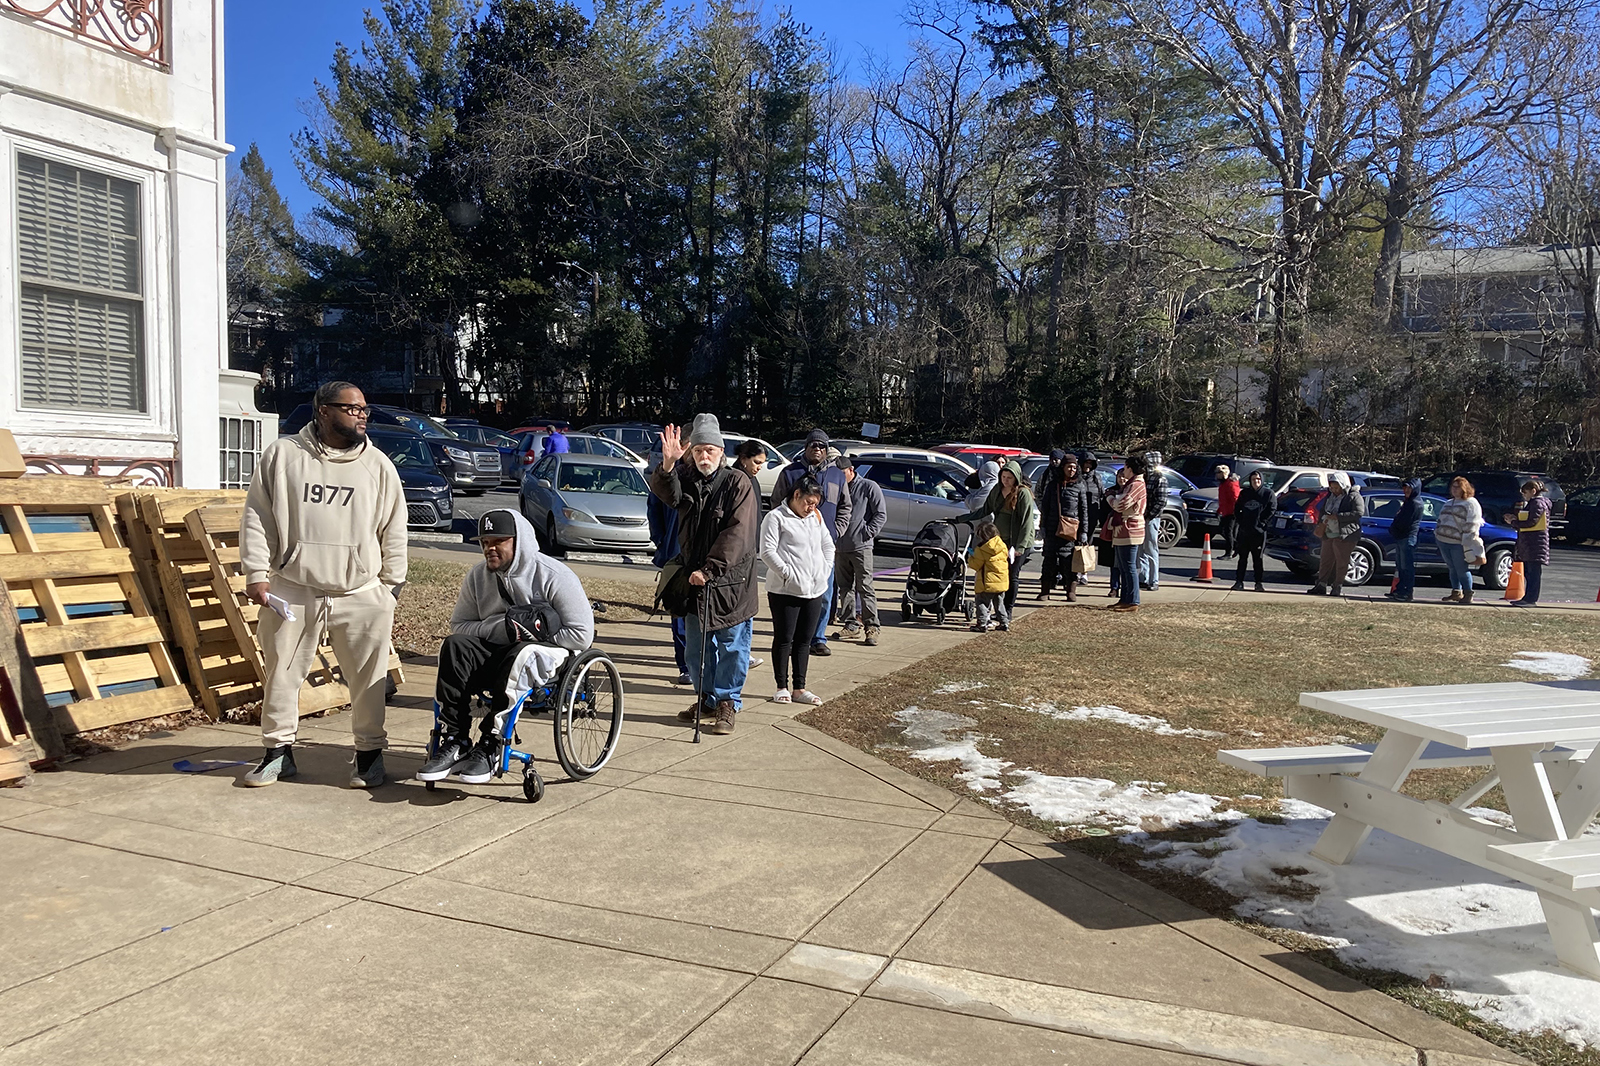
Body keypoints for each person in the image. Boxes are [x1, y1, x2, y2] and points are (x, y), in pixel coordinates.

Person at [239, 381, 408, 788]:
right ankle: (277, 753)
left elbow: (394, 529)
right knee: (281, 674)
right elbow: (257, 517)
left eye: (365, 409)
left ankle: (368, 755)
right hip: (294, 588)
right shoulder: (283, 456)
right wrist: (257, 574)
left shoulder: (379, 465)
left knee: (368, 679)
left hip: (360, 591)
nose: (362, 415)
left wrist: (390, 587)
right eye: (352, 409)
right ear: (323, 411)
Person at [419, 510, 595, 782]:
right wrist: (500, 629)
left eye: (498, 541)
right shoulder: (478, 576)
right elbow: (460, 625)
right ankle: (454, 739)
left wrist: (529, 635)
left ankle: (492, 742)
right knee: (454, 646)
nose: (489, 548)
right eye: (484, 542)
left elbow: (581, 634)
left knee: (522, 652)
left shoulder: (554, 575)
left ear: (519, 541)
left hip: (545, 654)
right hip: (497, 648)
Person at [652, 414, 760, 735]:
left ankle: (728, 704)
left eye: (710, 450)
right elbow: (667, 495)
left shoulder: (737, 482)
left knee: (731, 647)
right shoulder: (687, 478)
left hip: (730, 584)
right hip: (695, 582)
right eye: (698, 451)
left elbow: (738, 535)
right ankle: (708, 699)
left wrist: (709, 569)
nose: (703, 457)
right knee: (696, 649)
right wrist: (668, 466)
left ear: (721, 451)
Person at [771, 430, 851, 658]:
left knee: (823, 593)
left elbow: (845, 507)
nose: (817, 449)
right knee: (795, 592)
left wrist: (836, 531)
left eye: (822, 446)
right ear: (805, 448)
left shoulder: (837, 475)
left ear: (827, 451)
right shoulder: (790, 473)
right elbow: (777, 503)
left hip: (824, 545)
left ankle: (818, 638)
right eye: (813, 445)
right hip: (794, 545)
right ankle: (796, 638)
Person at [759, 476, 835, 704]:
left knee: (804, 639)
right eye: (808, 502)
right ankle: (781, 685)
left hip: (814, 588)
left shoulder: (815, 518)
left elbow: (828, 545)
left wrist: (825, 568)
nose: (811, 508)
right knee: (785, 638)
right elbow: (767, 551)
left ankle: (799, 688)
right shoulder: (776, 518)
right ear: (796, 495)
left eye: (815, 504)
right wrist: (787, 573)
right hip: (785, 591)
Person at [955, 460, 1038, 622]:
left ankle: (1008, 610)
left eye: (1009, 478)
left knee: (1012, 575)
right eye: (1003, 477)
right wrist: (960, 519)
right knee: (998, 574)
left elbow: (1027, 523)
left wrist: (1019, 546)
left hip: (1019, 542)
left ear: (1016, 478)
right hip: (1000, 541)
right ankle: (999, 611)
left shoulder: (1023, 494)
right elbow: (984, 511)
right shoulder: (997, 490)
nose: (1006, 481)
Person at [833, 456, 886, 645]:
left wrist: (867, 533)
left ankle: (872, 626)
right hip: (840, 547)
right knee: (844, 588)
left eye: (842, 474)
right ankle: (851, 624)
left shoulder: (868, 486)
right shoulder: (835, 488)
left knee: (865, 587)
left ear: (851, 470)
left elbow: (880, 514)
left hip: (861, 546)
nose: (839, 478)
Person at [646, 482, 690, 685]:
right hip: (676, 557)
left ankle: (704, 664)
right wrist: (662, 542)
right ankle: (685, 667)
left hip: (707, 559)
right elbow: (654, 510)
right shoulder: (671, 477)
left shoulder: (717, 477)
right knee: (679, 614)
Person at [1306, 472, 1363, 597]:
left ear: (1343, 485)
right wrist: (1322, 520)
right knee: (1325, 560)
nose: (1334, 490)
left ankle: (1337, 586)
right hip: (1329, 532)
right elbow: (1322, 510)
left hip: (1345, 534)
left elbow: (1358, 513)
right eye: (1332, 487)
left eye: (1336, 487)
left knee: (1341, 562)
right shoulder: (1329, 496)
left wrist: (1337, 517)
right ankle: (1320, 585)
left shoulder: (1353, 496)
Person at [1105, 455, 1147, 612]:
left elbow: (1120, 505)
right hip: (1123, 529)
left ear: (1130, 468)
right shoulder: (1132, 484)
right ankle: (1125, 599)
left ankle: (1133, 600)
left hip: (1130, 529)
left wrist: (1109, 497)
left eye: (1125, 467)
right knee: (1122, 566)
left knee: (1129, 566)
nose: (1123, 471)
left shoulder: (1136, 484)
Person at [1435, 476, 1483, 604]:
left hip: (1459, 543)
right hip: (1443, 540)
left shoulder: (1471, 503)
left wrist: (1467, 540)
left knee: (1461, 568)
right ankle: (1456, 592)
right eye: (1453, 487)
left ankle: (1468, 593)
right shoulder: (1448, 503)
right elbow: (1440, 520)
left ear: (1465, 488)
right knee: (1452, 568)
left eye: (1458, 487)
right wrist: (1437, 533)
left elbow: (1473, 522)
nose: (1455, 490)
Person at [1050, 453, 1091, 602]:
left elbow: (1083, 510)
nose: (1072, 470)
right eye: (1069, 467)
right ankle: (1045, 590)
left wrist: (1084, 531)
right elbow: (1046, 507)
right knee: (1049, 561)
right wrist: (1043, 526)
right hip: (1052, 528)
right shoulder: (1053, 484)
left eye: (1074, 467)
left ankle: (1071, 591)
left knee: (1069, 562)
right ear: (1063, 467)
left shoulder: (1080, 485)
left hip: (1071, 530)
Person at [1504, 479, 1550, 607]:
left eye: (1525, 493)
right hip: (1533, 541)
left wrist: (1513, 522)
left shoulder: (1537, 503)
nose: (1524, 495)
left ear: (1533, 491)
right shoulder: (1538, 503)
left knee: (1533, 572)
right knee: (1530, 572)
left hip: (1534, 542)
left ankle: (1531, 599)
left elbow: (1532, 522)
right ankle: (1528, 597)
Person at [1230, 469, 1275, 592]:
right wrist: (1241, 521)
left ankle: (1258, 583)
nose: (1256, 482)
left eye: (1258, 479)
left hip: (1259, 533)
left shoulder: (1268, 494)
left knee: (1257, 559)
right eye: (1254, 479)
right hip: (1244, 532)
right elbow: (1237, 508)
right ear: (1250, 481)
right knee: (1242, 558)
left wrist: (1262, 523)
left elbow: (1272, 509)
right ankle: (1239, 582)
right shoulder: (1245, 493)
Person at [967, 519, 1010, 631]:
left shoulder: (982, 550)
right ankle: (1004, 622)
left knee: (982, 602)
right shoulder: (1002, 546)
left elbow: (976, 565)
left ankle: (982, 623)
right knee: (999, 604)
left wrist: (971, 556)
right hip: (1001, 582)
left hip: (987, 582)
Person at [1384, 478, 1423, 603]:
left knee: (1407, 567)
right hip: (1401, 537)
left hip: (1408, 537)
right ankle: (1399, 590)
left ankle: (1407, 592)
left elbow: (1405, 522)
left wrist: (1395, 529)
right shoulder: (1408, 501)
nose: (1406, 490)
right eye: (1405, 488)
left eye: (1409, 488)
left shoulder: (1415, 503)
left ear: (1415, 489)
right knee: (1400, 566)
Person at [1036, 450, 1067, 600]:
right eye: (1052, 459)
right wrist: (1044, 508)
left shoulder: (1069, 477)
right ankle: (1048, 583)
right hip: (1049, 519)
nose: (1055, 462)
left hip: (1067, 522)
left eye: (1058, 459)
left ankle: (1065, 581)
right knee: (1049, 555)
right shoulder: (1045, 475)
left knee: (1065, 555)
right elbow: (1039, 493)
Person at [1138, 452, 1166, 591]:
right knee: (1141, 549)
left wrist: (1149, 516)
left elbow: (1161, 501)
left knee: (1151, 548)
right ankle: (1143, 578)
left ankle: (1154, 580)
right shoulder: (1144, 477)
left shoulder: (1160, 478)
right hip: (1141, 517)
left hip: (1151, 519)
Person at [1215, 464, 1240, 558]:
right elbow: (1223, 499)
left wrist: (1236, 511)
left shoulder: (1230, 484)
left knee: (1228, 532)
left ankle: (1229, 552)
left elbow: (1235, 498)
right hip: (1226, 511)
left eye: (1218, 473)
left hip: (1232, 513)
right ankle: (1237, 546)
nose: (1216, 475)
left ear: (1223, 473)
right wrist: (1219, 510)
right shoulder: (1223, 483)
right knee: (1223, 530)